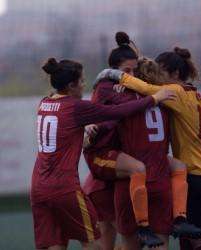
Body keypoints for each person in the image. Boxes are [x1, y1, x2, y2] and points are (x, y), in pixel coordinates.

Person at [30, 57, 172, 250]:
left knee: (54, 245)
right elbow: (118, 111)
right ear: (71, 85)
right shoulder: (75, 107)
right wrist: (155, 97)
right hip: (64, 189)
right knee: (97, 244)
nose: (84, 85)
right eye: (81, 81)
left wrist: (85, 126)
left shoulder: (44, 103)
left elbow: (64, 123)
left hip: (38, 189)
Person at [97, 47, 201, 250]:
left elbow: (146, 93)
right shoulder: (194, 94)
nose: (158, 78)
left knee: (198, 239)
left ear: (174, 74)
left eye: (161, 72)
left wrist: (113, 76)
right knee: (191, 237)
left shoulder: (172, 94)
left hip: (193, 174)